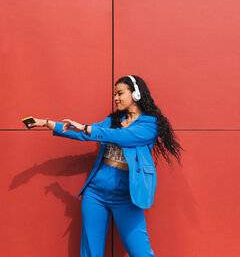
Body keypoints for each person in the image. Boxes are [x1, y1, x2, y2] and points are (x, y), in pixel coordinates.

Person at [27, 75, 183, 257]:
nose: (115, 98)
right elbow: (83, 134)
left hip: (126, 195)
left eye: (120, 93)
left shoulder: (150, 124)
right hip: (95, 192)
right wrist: (46, 123)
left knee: (141, 252)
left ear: (136, 94)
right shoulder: (112, 121)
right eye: (114, 94)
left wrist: (87, 128)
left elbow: (123, 137)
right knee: (90, 252)